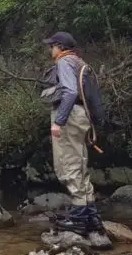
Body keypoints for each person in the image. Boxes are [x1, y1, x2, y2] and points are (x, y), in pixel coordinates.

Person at [41, 32, 106, 236]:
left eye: (51, 46)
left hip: (69, 117)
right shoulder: (79, 62)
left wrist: (58, 122)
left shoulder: (64, 62)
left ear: (59, 46)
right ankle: (91, 216)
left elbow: (70, 92)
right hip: (82, 117)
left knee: (68, 166)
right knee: (80, 163)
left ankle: (78, 219)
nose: (50, 50)